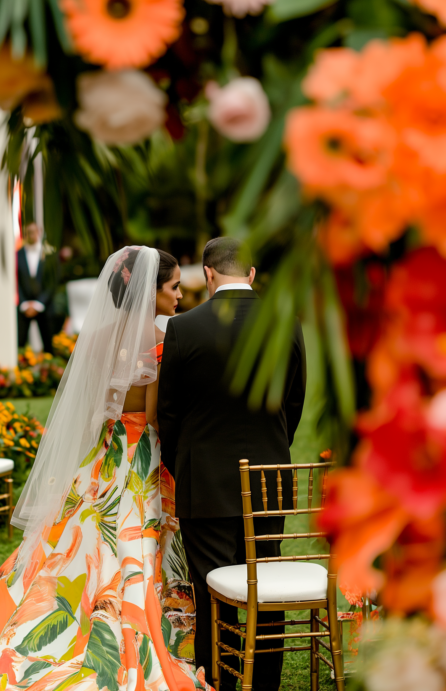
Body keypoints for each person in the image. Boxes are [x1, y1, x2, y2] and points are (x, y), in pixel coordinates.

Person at [0, 247, 198, 691]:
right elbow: (155, 416)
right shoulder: (160, 340)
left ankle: (69, 610)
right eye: (174, 286)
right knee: (136, 541)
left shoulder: (97, 336)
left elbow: (90, 408)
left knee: (84, 537)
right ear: (149, 290)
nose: (180, 295)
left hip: (102, 453)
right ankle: (134, 623)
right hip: (141, 453)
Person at [158, 237, 306, 691]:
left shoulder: (184, 328)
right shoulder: (286, 322)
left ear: (207, 274)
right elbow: (294, 401)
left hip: (204, 482)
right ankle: (265, 685)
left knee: (211, 593)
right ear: (252, 274)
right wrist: (271, 450)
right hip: (267, 479)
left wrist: (185, 466)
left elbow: (168, 414)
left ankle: (220, 682)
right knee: (266, 582)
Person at [16, 223, 58, 350]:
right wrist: (23, 303)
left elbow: (53, 282)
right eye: (28, 232)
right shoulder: (17, 255)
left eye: (33, 232)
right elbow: (15, 281)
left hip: (45, 305)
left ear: (39, 232)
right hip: (23, 307)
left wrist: (39, 303)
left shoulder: (50, 255)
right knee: (19, 344)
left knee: (49, 345)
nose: (30, 235)